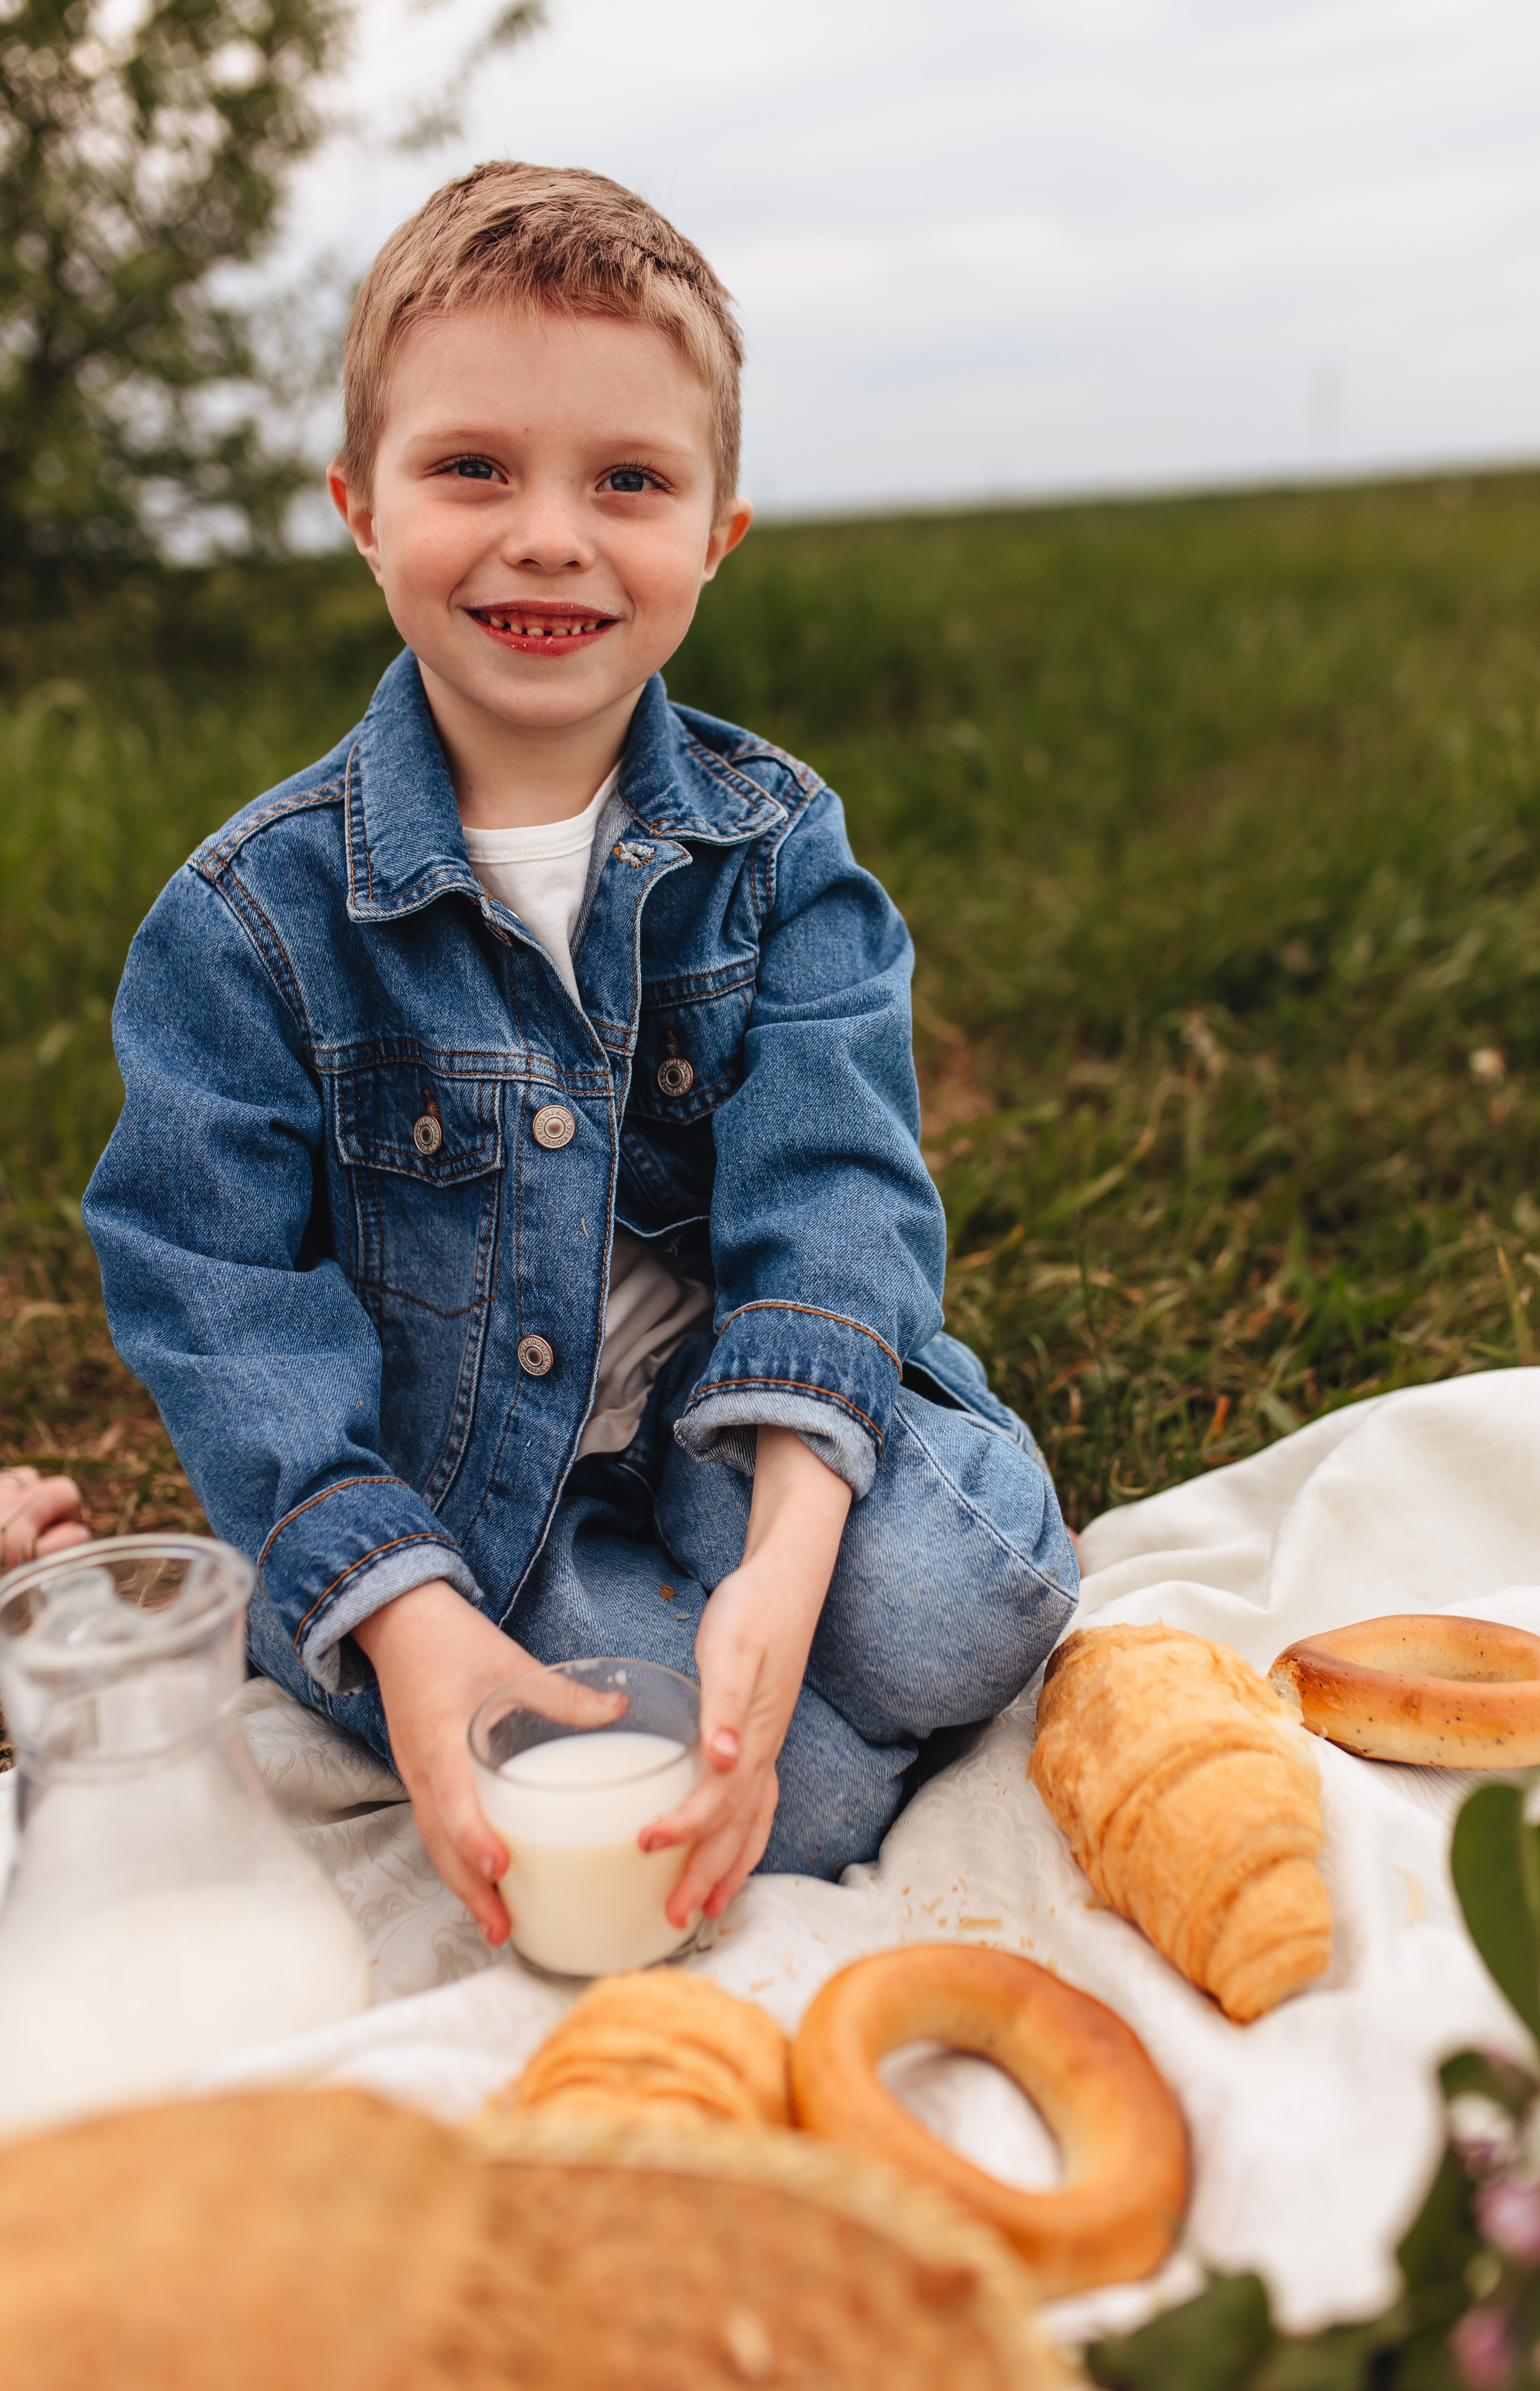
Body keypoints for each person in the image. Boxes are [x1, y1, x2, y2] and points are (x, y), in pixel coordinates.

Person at [82, 163, 1077, 1951]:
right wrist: (404, 1617)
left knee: (950, 1605)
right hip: (478, 1496)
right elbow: (216, 1290)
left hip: (736, 1419)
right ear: (361, 509)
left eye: (627, 481)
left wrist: (785, 1559)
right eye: (474, 468)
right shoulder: (246, 921)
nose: (550, 535)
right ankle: (699, 1696)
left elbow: (834, 1191)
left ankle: (781, 1621)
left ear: (716, 535)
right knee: (758, 1785)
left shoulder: (776, 851)